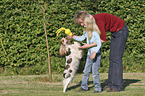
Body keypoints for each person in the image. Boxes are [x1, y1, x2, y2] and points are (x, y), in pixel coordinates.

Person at [73, 10, 129, 92]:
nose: (81, 25)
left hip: (121, 30)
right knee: (112, 58)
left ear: (85, 19)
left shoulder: (98, 21)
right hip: (115, 32)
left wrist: (88, 46)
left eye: (81, 22)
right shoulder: (92, 23)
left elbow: (102, 39)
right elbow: (86, 37)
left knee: (116, 58)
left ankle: (118, 86)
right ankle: (111, 84)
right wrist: (72, 37)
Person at [68, 14, 102, 93]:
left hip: (95, 55)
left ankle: (98, 88)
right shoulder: (87, 32)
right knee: (86, 71)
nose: (83, 25)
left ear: (89, 24)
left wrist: (94, 52)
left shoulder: (95, 33)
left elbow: (99, 43)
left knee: (94, 72)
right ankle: (84, 86)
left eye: (85, 24)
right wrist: (73, 37)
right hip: (89, 55)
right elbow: (82, 38)